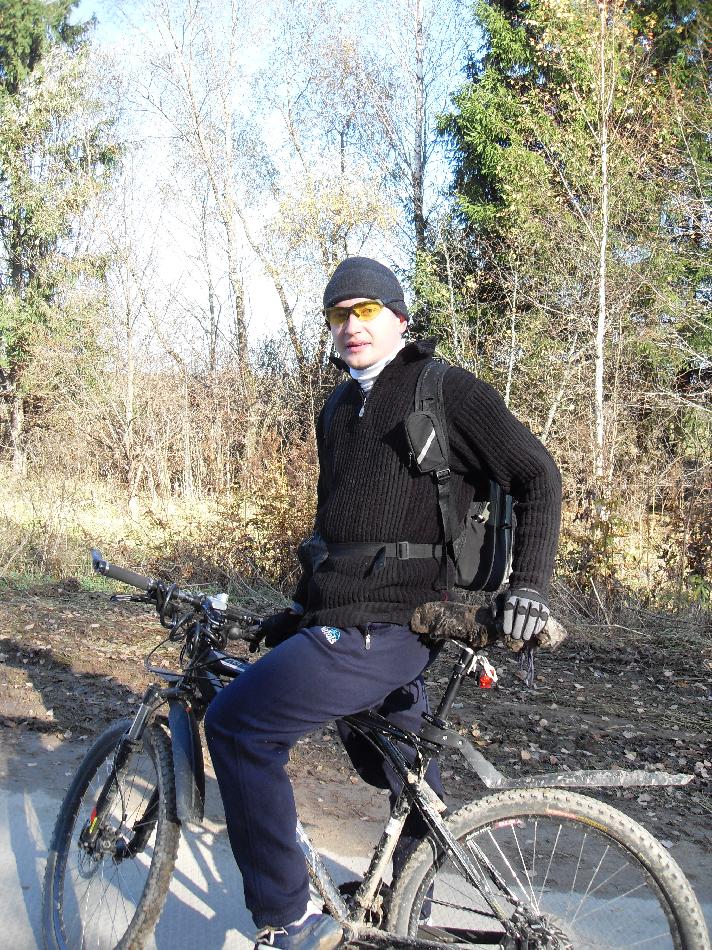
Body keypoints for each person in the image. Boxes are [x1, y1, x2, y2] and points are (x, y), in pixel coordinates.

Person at [204, 257, 562, 950]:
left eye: (366, 310)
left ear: (399, 318)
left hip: (394, 622)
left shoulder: (444, 390)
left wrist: (529, 586)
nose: (352, 325)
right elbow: (333, 529)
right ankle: (405, 900)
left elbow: (536, 475)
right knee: (393, 764)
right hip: (347, 618)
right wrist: (300, 609)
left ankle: (289, 920)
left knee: (239, 726)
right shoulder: (338, 408)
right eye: (338, 315)